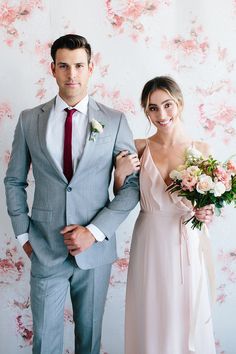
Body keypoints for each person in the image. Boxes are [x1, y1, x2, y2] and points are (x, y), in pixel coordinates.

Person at [4, 34, 139, 354]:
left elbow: (131, 189)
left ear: (91, 68)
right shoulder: (28, 120)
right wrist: (24, 237)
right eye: (64, 66)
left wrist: (93, 233)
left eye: (79, 65)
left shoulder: (114, 120)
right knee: (45, 343)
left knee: (89, 343)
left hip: (95, 253)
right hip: (45, 247)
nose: (72, 74)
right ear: (52, 69)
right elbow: (13, 182)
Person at [114, 76, 216, 354]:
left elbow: (208, 204)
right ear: (145, 111)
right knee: (151, 309)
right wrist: (120, 175)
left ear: (179, 103)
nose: (161, 114)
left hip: (187, 240)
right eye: (153, 108)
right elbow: (120, 195)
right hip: (150, 239)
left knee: (185, 310)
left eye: (167, 105)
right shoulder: (139, 147)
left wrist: (206, 212)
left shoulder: (202, 151)